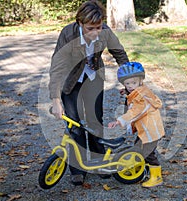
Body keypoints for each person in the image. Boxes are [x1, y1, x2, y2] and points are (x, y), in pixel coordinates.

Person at [49, 0, 129, 186]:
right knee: (75, 124)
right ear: (80, 23)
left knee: (95, 120)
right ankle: (78, 169)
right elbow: (57, 67)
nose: (95, 33)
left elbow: (120, 54)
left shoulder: (105, 31)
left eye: (98, 27)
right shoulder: (67, 34)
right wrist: (55, 99)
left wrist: (129, 80)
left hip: (94, 78)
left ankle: (99, 163)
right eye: (90, 28)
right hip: (71, 81)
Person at [108, 62, 165, 188]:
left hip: (151, 131)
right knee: (138, 148)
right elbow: (134, 96)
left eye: (133, 83)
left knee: (148, 154)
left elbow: (135, 111)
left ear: (140, 81)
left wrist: (119, 121)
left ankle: (157, 177)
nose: (130, 86)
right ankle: (143, 169)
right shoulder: (139, 91)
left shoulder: (142, 97)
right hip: (145, 130)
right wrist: (128, 93)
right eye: (127, 84)